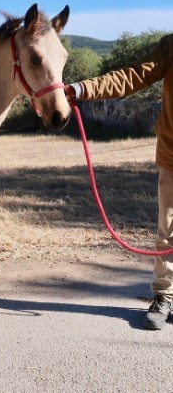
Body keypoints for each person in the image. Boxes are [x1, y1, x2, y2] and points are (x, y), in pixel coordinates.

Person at [64, 33, 173, 330]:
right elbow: (132, 76)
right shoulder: (170, 46)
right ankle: (164, 297)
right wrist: (83, 88)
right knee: (168, 235)